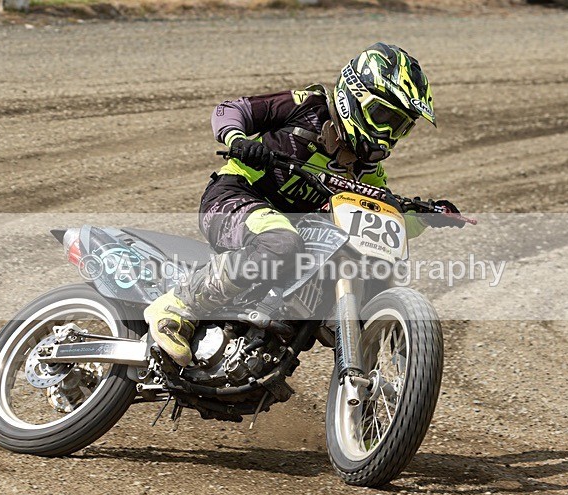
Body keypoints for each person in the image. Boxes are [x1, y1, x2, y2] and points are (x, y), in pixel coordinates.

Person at [144, 42, 460, 366]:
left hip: (292, 227)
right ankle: (176, 307)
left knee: (367, 262)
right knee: (281, 242)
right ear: (356, 97)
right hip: (236, 196)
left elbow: (379, 214)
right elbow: (230, 110)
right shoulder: (307, 107)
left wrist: (426, 217)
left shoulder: (368, 169)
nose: (389, 132)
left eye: (400, 126)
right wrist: (238, 141)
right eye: (385, 117)